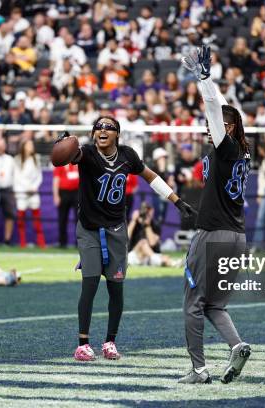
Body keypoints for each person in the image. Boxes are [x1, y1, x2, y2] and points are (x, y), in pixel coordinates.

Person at [54, 116, 195, 362]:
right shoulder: (86, 154)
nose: (103, 130)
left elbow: (150, 176)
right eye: (98, 127)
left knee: (116, 289)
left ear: (118, 134)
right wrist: (61, 146)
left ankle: (110, 341)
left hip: (116, 230)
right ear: (92, 133)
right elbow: (61, 159)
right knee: (89, 285)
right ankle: (83, 344)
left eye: (109, 127)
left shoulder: (128, 156)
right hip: (88, 229)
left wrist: (177, 201)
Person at [179, 46, 251, 384]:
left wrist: (206, 80)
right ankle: (236, 345)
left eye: (219, 123)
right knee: (214, 305)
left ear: (231, 127)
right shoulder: (237, 153)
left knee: (193, 302)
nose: (210, 126)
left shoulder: (227, 148)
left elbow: (213, 107)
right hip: (237, 237)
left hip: (214, 234)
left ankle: (198, 369)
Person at [126, 202, 180, 267]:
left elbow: (152, 243)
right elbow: (126, 238)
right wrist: (133, 220)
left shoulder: (155, 225)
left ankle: (174, 263)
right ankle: (159, 261)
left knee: (165, 258)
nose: (147, 212)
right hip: (135, 255)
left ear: (152, 211)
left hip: (148, 256)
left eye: (149, 210)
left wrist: (147, 225)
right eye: (145, 209)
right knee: (143, 242)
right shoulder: (134, 223)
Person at [14, 140, 45, 248]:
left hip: (33, 192)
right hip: (21, 193)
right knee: (21, 220)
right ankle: (22, 243)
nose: (31, 146)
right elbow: (17, 177)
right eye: (29, 144)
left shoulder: (36, 158)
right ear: (23, 146)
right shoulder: (17, 159)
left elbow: (39, 176)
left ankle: (41, 243)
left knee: (37, 219)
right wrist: (27, 188)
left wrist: (34, 187)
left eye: (32, 144)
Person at [52, 161, 79, 248]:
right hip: (63, 193)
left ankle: (78, 242)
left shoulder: (77, 163)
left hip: (77, 193)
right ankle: (62, 242)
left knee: (79, 219)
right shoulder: (61, 163)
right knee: (62, 218)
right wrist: (56, 196)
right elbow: (56, 180)